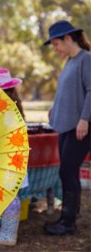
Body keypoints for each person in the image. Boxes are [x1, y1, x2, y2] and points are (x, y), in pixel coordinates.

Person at [43, 20, 91, 235]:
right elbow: (67, 90)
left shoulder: (86, 59)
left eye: (56, 44)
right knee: (67, 172)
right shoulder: (69, 62)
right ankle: (71, 214)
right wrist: (55, 107)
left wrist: (85, 119)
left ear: (68, 38)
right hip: (65, 126)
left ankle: (68, 222)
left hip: (79, 127)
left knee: (67, 171)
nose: (55, 49)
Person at [0, 67, 27, 246]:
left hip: (6, 162)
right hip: (11, 161)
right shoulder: (13, 108)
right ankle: (6, 230)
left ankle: (8, 234)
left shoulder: (3, 111)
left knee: (8, 196)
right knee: (9, 194)